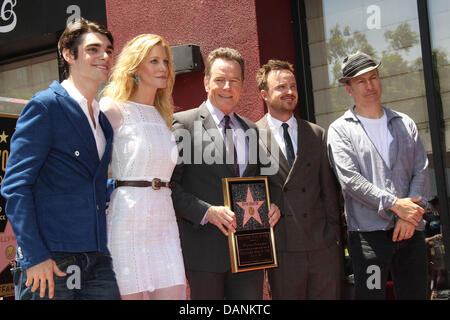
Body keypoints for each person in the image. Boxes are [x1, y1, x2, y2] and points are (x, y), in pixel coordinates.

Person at [1, 18, 120, 300]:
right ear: (68, 54)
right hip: (51, 258)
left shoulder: (102, 120)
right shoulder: (45, 106)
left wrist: (129, 187)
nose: (104, 56)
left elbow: (87, 185)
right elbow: (15, 187)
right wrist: (34, 256)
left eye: (108, 50)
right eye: (93, 49)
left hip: (98, 256)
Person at [171, 47, 280, 299]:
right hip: (205, 252)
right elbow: (169, 187)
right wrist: (206, 211)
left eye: (234, 81)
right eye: (220, 80)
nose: (227, 87)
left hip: (249, 253)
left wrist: (274, 204)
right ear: (206, 81)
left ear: (242, 85)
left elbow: (266, 181)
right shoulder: (184, 124)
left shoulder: (252, 129)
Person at [327, 51, 430, 299]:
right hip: (368, 237)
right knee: (371, 296)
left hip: (411, 232)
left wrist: (409, 216)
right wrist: (395, 205)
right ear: (349, 89)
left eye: (373, 77)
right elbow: (351, 181)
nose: (370, 85)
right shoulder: (340, 131)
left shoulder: (404, 123)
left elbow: (421, 169)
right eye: (361, 81)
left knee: (416, 295)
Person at [100, 34, 186, 300]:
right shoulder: (112, 108)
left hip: (165, 222)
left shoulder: (164, 116)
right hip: (128, 222)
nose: (163, 68)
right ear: (136, 67)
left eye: (166, 62)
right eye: (154, 61)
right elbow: (89, 164)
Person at [255, 59, 343, 299]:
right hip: (283, 250)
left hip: (322, 248)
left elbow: (330, 194)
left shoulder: (317, 134)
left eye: (292, 86)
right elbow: (249, 191)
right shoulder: (250, 137)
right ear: (264, 94)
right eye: (281, 87)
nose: (290, 92)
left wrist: (333, 241)